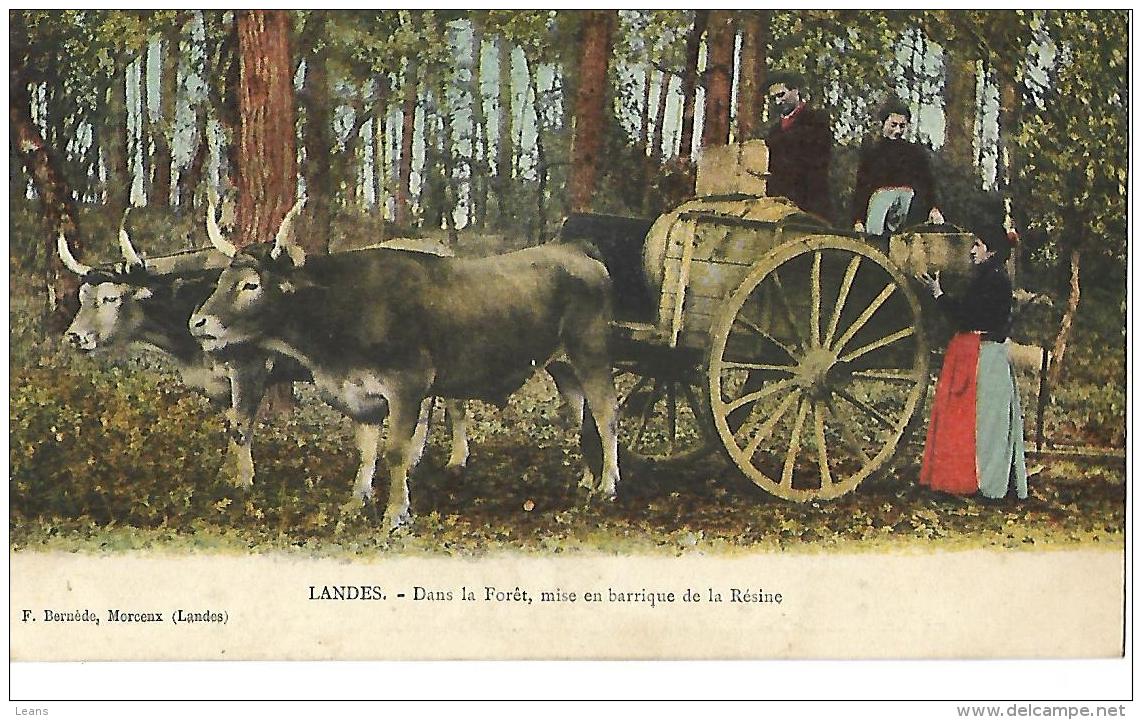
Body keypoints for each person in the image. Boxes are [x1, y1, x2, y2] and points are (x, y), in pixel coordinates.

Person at [918, 230, 1028, 500]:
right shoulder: (989, 277)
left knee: (983, 422)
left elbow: (966, 316)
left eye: (977, 245)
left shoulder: (993, 280)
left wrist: (939, 295)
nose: (972, 251)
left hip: (984, 356)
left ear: (990, 251)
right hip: (979, 353)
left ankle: (986, 485)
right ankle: (974, 481)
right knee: (981, 421)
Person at [852, 100, 945, 236]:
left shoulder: (915, 153)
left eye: (902, 126)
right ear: (883, 124)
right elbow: (862, 188)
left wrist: (934, 208)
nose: (897, 130)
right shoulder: (872, 154)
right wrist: (858, 220)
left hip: (907, 212)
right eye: (893, 125)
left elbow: (927, 184)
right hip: (879, 211)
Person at [761, 71, 833, 221]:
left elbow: (818, 162)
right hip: (780, 205)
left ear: (795, 91)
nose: (778, 101)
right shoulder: (773, 131)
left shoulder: (817, 120)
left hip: (809, 200)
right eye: (773, 98)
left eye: (781, 95)